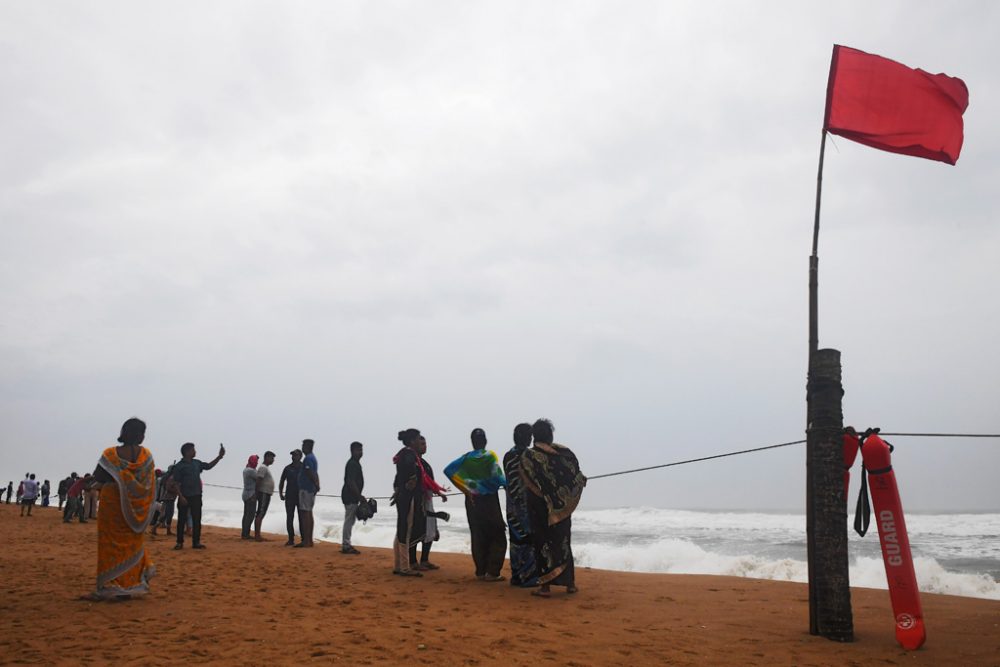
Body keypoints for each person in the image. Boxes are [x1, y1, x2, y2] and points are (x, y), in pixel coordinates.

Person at [84, 417, 157, 600]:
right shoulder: (146, 456)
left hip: (112, 506)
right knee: (132, 544)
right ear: (139, 435)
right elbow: (148, 484)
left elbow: (98, 475)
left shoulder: (110, 455)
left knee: (110, 545)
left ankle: (111, 586)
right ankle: (129, 585)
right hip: (135, 508)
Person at [521, 418, 586, 598]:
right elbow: (576, 477)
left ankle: (545, 587)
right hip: (562, 509)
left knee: (542, 544)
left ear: (535, 436)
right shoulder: (566, 454)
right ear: (550, 435)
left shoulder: (529, 456)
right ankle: (570, 584)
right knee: (563, 542)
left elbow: (529, 481)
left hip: (539, 509)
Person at [444, 428, 507, 582]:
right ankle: (492, 572)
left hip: (472, 500)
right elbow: (497, 476)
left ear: (472, 442)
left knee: (478, 534)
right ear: (485, 441)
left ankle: (480, 571)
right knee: (498, 533)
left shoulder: (465, 458)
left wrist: (465, 489)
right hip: (489, 500)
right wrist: (508, 485)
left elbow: (448, 470)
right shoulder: (489, 456)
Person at [168, 441, 225, 550]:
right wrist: (180, 496)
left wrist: (219, 457)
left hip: (196, 496)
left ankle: (196, 542)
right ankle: (179, 542)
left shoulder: (197, 463)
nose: (195, 452)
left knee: (196, 520)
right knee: (181, 520)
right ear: (187, 452)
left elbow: (208, 466)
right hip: (184, 496)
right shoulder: (179, 466)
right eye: (193, 450)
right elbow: (176, 483)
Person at [503, 423, 540, 587]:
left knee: (516, 539)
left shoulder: (507, 455)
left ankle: (516, 575)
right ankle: (529, 577)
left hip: (511, 505)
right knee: (529, 539)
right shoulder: (529, 455)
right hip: (527, 504)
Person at [392, 429, 426, 576]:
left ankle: (398, 564)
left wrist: (399, 489)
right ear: (412, 441)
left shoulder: (402, 453)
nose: (420, 442)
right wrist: (410, 482)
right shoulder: (409, 454)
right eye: (419, 439)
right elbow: (410, 472)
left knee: (401, 528)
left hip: (403, 495)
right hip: (408, 496)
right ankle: (404, 567)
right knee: (405, 528)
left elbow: (398, 476)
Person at [414, 435, 450, 571]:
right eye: (421, 444)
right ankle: (412, 561)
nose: (424, 446)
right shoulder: (414, 463)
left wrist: (439, 493)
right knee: (418, 530)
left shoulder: (426, 464)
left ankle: (424, 560)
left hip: (428, 499)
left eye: (425, 443)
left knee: (430, 529)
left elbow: (430, 483)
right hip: (418, 500)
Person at [341, 441, 365, 554]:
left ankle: (347, 543)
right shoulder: (352, 464)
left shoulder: (355, 463)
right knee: (349, 520)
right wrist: (359, 496)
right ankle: (346, 545)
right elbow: (350, 482)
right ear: (352, 451)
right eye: (358, 450)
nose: (360, 452)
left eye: (361, 450)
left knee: (350, 520)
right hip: (350, 496)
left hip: (352, 496)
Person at [296, 439, 319, 548]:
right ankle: (309, 540)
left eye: (303, 445)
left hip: (306, 489)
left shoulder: (308, 458)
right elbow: (315, 473)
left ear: (308, 446)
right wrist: (317, 485)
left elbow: (310, 472)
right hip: (310, 489)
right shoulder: (312, 458)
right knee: (308, 513)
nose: (302, 447)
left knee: (305, 514)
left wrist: (316, 484)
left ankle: (306, 540)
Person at [279, 449, 303, 546]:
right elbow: (282, 481)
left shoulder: (303, 467)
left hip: (300, 496)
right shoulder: (287, 468)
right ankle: (290, 538)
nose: (293, 457)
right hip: (289, 496)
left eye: (296, 455)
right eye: (293, 455)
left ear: (300, 456)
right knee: (289, 517)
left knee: (301, 518)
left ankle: (303, 538)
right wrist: (281, 493)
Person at [254, 451, 276, 541]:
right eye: (272, 458)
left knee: (261, 513)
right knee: (260, 513)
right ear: (266, 457)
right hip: (263, 493)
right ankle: (257, 535)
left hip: (265, 493)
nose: (273, 460)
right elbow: (258, 480)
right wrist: (257, 493)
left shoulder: (265, 468)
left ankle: (258, 535)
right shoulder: (263, 468)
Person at [153, 464, 177, 536]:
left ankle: (159, 529)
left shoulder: (168, 477)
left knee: (167, 514)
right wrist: (177, 491)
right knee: (168, 514)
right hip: (169, 498)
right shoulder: (171, 478)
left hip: (169, 498)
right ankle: (155, 528)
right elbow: (169, 488)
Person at [241, 455, 260, 540]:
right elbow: (260, 478)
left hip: (246, 494)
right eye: (256, 461)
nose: (256, 463)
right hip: (251, 494)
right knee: (250, 515)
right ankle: (246, 534)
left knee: (246, 515)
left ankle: (244, 533)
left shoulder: (246, 469)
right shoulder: (251, 471)